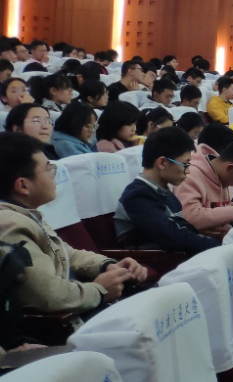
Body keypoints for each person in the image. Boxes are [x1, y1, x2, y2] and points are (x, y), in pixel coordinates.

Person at [0, 133, 144, 320]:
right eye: (48, 169)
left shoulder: (26, 213)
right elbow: (47, 295)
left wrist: (107, 265)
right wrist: (100, 290)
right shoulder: (10, 224)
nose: (54, 175)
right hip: (58, 327)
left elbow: (67, 253)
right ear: (23, 186)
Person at [114, 126, 219, 255]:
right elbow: (174, 238)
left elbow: (182, 230)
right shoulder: (137, 196)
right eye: (185, 164)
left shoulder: (164, 193)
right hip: (152, 261)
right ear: (162, 163)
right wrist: (219, 246)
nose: (188, 171)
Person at [175, 134, 233, 237]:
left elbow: (214, 207)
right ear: (230, 168)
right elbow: (191, 216)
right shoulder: (190, 175)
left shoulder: (226, 179)